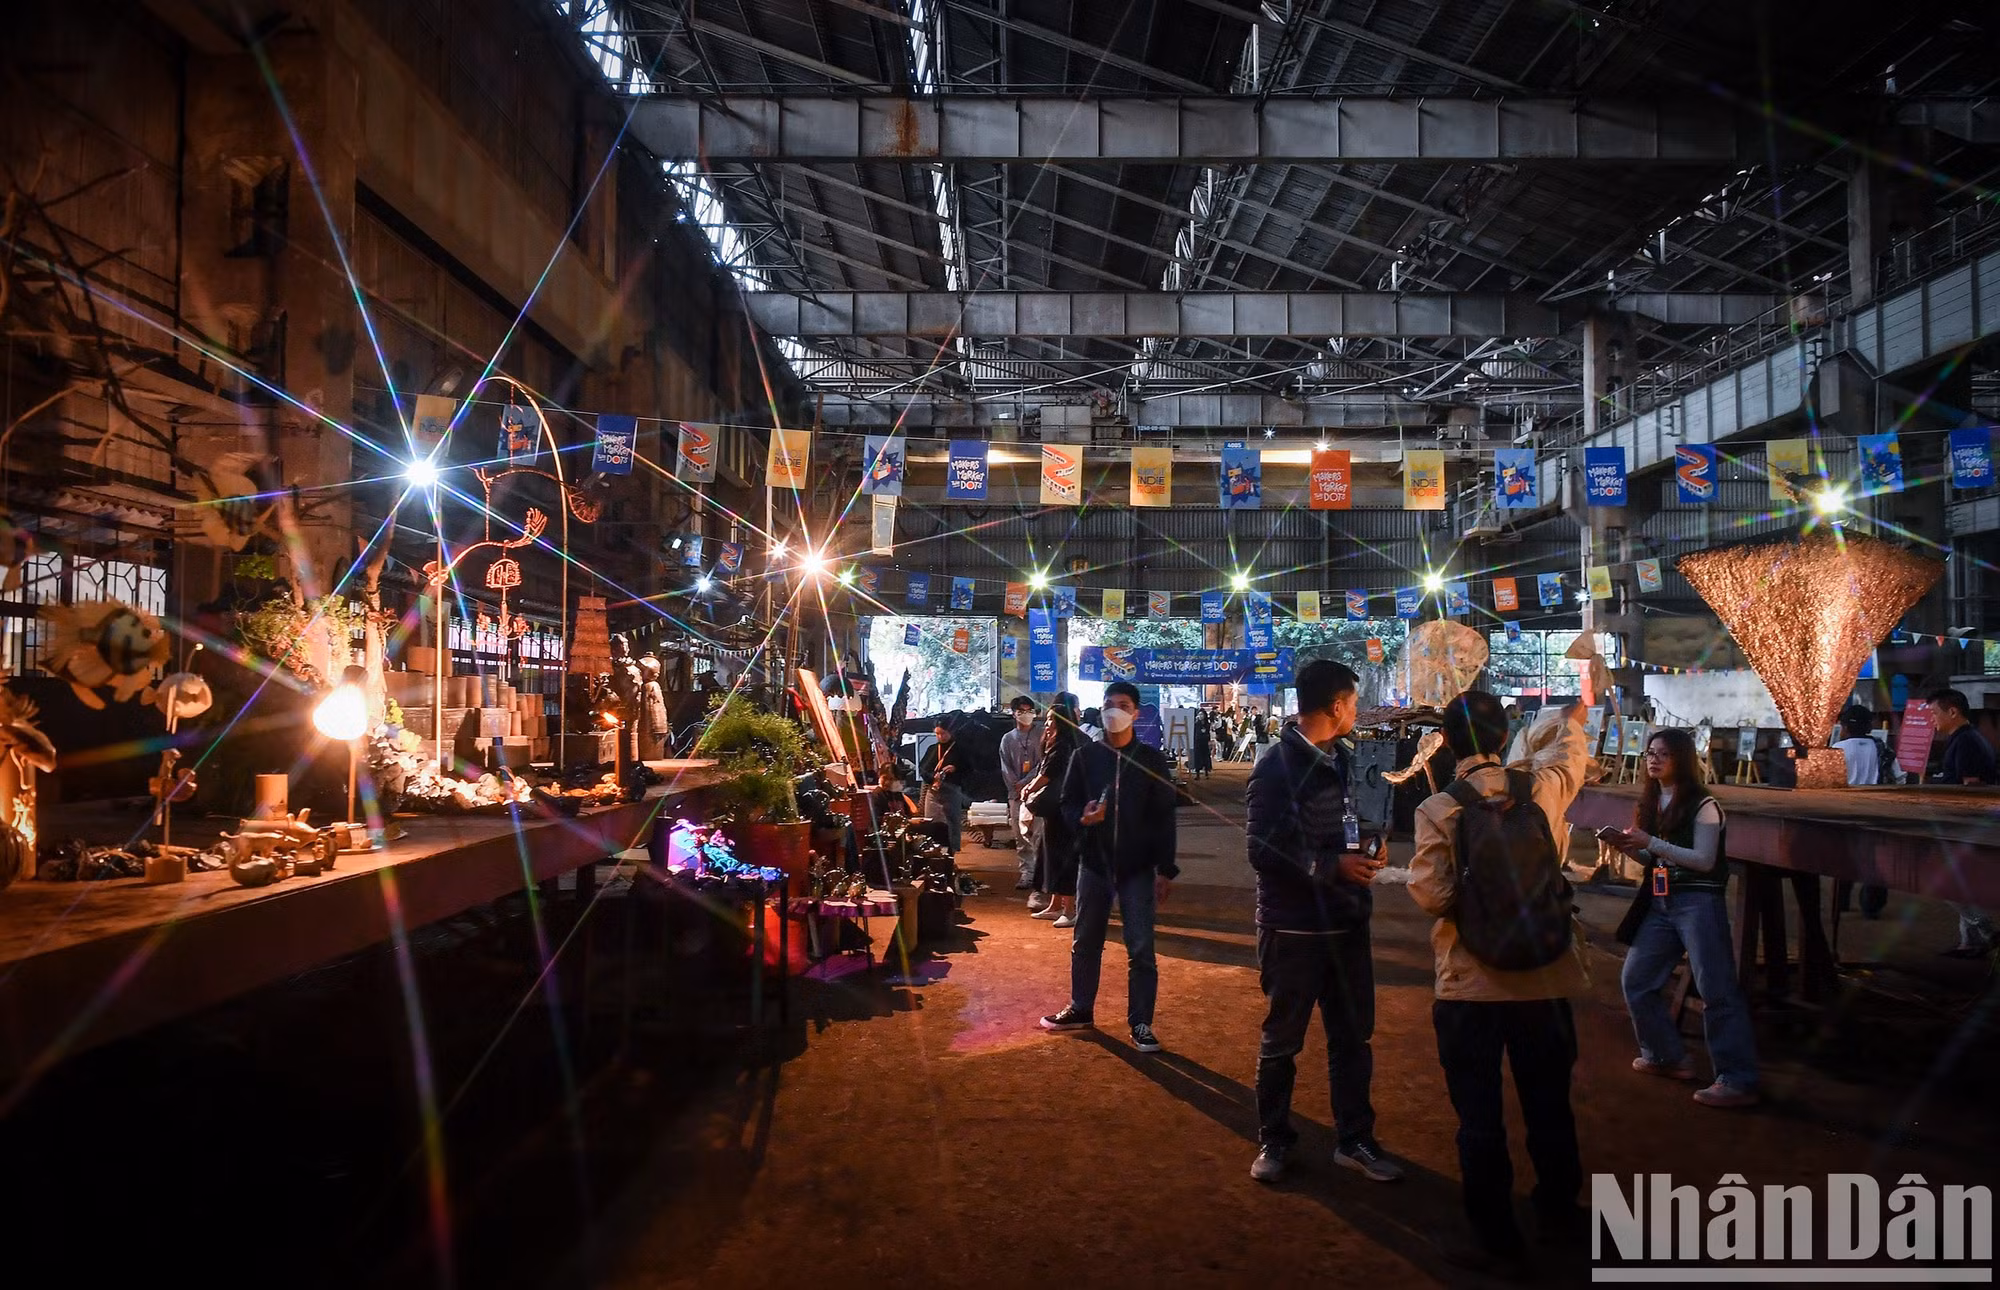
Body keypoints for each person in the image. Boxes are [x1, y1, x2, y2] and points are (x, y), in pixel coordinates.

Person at [1409, 692, 1592, 1276]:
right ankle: (1559, 1216)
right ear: (1503, 731)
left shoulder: (1440, 806)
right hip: (1547, 976)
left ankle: (1495, 1236)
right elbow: (1567, 750)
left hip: (1471, 985)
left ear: (1447, 742)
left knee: (1480, 1118)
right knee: (1550, 1107)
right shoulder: (1542, 789)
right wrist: (1562, 719)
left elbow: (1434, 895)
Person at [1244, 660, 1403, 1186]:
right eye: (1354, 703)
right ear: (1336, 706)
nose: (1357, 712)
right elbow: (1262, 849)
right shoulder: (1275, 767)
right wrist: (1332, 866)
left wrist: (1368, 851)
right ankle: (1274, 1138)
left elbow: (1347, 829)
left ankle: (1354, 1140)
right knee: (1282, 1041)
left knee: (1352, 1039)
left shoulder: (1348, 761)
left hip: (1346, 926)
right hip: (1292, 930)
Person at [1605, 728, 1760, 1109]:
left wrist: (1650, 843)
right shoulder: (1653, 800)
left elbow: (1705, 861)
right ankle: (1665, 1055)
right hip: (1661, 901)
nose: (1653, 760)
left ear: (1682, 760)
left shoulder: (1704, 805)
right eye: (1649, 753)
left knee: (1716, 988)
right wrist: (1628, 847)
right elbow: (1655, 860)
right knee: (1637, 979)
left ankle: (1738, 1078)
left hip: (1697, 901)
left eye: (1663, 754)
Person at [1039, 681, 1179, 1051]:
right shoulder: (1085, 758)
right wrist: (1081, 818)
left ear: (1135, 712)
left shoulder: (1151, 761)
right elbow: (1066, 804)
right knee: (1085, 941)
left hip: (1137, 869)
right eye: (1108, 704)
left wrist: (1166, 868)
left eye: (1122, 704)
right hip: (1095, 865)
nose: (1114, 710)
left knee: (1141, 949)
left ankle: (1141, 1023)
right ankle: (1081, 1007)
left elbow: (1165, 817)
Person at [1927, 689, 1998, 956]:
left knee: (1946, 880)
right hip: (1965, 825)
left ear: (1952, 712)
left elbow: (1972, 788)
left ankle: (1984, 929)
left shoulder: (1967, 742)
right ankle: (1970, 942)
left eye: (1935, 713)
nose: (1932, 720)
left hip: (1964, 826)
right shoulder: (1966, 739)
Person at [1026, 694, 1086, 926]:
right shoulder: (1072, 740)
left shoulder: (1064, 744)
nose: (1047, 723)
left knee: (1064, 857)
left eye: (1051, 719)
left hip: (1064, 809)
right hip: (1058, 810)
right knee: (1050, 855)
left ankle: (1069, 910)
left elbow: (1047, 774)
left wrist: (1029, 789)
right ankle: (1054, 905)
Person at [1831, 704, 1889, 920]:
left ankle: (1841, 901)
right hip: (1877, 812)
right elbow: (1899, 777)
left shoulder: (1838, 748)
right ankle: (1871, 906)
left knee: (1843, 859)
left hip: (1845, 811)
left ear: (1845, 727)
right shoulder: (1881, 748)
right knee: (1874, 861)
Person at [1000, 696, 1044, 892]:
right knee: (1020, 834)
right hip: (1016, 794)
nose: (1026, 715)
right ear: (1014, 713)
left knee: (1038, 832)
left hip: (1039, 791)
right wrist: (1016, 785)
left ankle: (1041, 874)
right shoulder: (1008, 739)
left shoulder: (1042, 735)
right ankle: (1027, 872)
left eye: (1029, 711)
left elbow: (1044, 763)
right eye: (1021, 711)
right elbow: (1005, 767)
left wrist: (1028, 782)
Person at [919, 716, 972, 853]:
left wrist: (955, 769)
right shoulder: (932, 749)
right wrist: (932, 777)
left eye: (943, 733)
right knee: (931, 822)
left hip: (951, 790)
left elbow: (969, 770)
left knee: (952, 823)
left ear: (950, 732)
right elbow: (922, 769)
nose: (940, 737)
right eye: (937, 734)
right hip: (933, 791)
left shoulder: (959, 749)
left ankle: (951, 853)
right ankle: (931, 851)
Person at [1188, 710, 1214, 781]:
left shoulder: (1207, 724)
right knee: (1198, 759)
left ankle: (1206, 773)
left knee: (1206, 758)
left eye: (1202, 714)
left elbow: (1209, 733)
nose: (1200, 716)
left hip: (1205, 743)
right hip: (1198, 743)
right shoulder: (1196, 724)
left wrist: (1209, 740)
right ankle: (1198, 774)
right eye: (1199, 715)